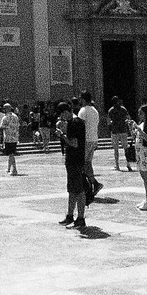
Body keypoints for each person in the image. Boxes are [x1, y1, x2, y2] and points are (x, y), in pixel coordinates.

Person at [55, 101, 88, 229]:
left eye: (61, 115)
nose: (61, 118)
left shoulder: (74, 123)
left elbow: (74, 143)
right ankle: (70, 215)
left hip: (75, 160)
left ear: (66, 112)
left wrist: (62, 136)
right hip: (74, 160)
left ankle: (80, 217)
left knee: (78, 190)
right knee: (72, 189)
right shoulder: (74, 122)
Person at [77, 91, 101, 193]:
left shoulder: (83, 111)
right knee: (88, 163)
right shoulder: (95, 110)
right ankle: (94, 184)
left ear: (83, 99)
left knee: (80, 164)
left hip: (85, 140)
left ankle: (87, 186)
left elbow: (80, 126)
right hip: (93, 139)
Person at [0, 102, 21, 175]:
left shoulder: (5, 117)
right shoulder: (16, 116)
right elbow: (18, 126)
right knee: (11, 153)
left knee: (11, 154)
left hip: (8, 138)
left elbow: (1, 128)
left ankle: (14, 169)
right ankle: (9, 168)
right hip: (15, 137)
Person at [107, 97, 132, 171]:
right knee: (125, 148)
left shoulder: (111, 110)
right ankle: (128, 164)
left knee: (116, 149)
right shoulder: (123, 109)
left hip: (115, 131)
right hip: (123, 130)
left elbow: (108, 121)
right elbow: (128, 118)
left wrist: (111, 127)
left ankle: (117, 165)